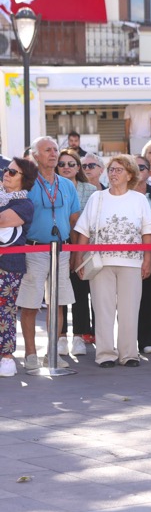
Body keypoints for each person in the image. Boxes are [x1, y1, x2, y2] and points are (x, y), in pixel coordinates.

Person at [71, 156, 151, 368]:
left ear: (130, 175)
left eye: (119, 170)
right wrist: (79, 257)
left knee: (130, 310)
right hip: (101, 262)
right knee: (102, 309)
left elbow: (147, 231)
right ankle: (105, 354)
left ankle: (129, 354)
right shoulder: (97, 197)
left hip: (132, 262)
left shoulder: (139, 200)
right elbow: (84, 230)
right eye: (111, 169)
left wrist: (147, 259)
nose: (113, 173)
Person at [16, 137, 81, 370]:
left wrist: (75, 252)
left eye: (55, 149)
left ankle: (52, 353)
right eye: (47, 150)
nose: (53, 154)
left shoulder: (67, 185)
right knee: (30, 304)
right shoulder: (27, 183)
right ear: (35, 156)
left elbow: (74, 220)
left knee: (58, 303)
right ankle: (31, 354)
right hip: (34, 249)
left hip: (61, 250)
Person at [57, 148, 97, 356]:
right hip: (58, 246)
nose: (66, 167)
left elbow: (91, 221)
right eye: (62, 164)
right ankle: (61, 336)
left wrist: (79, 250)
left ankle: (79, 336)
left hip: (83, 247)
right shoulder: (52, 187)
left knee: (81, 292)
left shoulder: (90, 190)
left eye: (71, 164)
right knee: (59, 292)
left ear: (78, 167)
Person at [0, 157, 36, 377]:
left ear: (25, 179)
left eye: (13, 172)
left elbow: (2, 221)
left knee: (5, 312)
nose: (6, 173)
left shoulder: (24, 204)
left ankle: (6, 357)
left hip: (8, 266)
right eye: (6, 170)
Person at [133, 155, 151, 354]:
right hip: (126, 253)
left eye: (141, 167)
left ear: (149, 172)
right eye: (133, 167)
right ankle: (126, 341)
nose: (137, 171)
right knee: (126, 298)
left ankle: (147, 339)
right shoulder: (120, 193)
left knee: (147, 296)